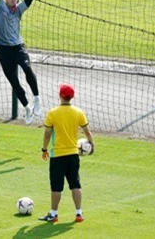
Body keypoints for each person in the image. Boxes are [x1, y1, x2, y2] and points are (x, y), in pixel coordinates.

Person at [0, 0, 42, 124]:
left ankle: (37, 100)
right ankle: (27, 108)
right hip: (3, 49)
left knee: (28, 70)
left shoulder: (18, 10)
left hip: (18, 46)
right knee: (14, 81)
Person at [39, 83, 94, 223]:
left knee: (56, 186)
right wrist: (92, 144)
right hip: (74, 155)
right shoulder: (78, 112)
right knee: (75, 184)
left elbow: (47, 134)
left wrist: (44, 149)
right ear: (72, 97)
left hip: (57, 156)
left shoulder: (52, 113)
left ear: (60, 96)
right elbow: (87, 131)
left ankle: (53, 214)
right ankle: (79, 213)